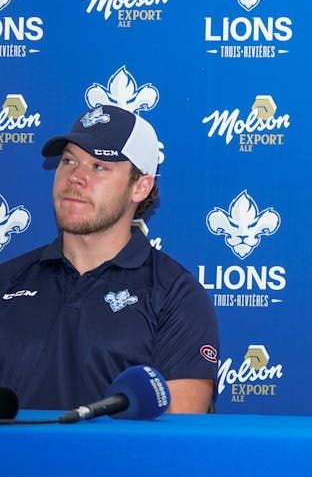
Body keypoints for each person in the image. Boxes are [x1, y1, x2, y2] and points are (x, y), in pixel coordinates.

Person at [0, 105, 219, 412]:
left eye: (99, 166)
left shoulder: (176, 295)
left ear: (140, 186)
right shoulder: (8, 280)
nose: (75, 177)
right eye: (68, 161)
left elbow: (178, 427)